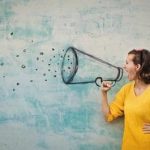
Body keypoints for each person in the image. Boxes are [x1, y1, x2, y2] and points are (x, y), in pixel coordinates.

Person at [100, 49, 150, 150]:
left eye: (127, 62)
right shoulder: (126, 90)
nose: (124, 66)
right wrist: (103, 93)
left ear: (137, 67)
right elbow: (108, 115)